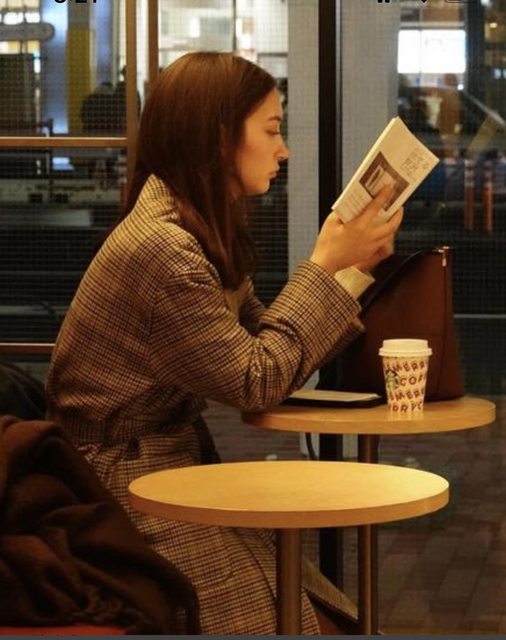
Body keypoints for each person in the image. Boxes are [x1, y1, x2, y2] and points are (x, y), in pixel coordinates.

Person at [45, 52, 402, 635]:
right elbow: (255, 380)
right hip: (118, 483)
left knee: (311, 606)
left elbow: (261, 343)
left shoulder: (194, 226)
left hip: (164, 463)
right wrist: (324, 265)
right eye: (272, 130)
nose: (284, 150)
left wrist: (351, 269)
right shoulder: (165, 249)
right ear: (218, 137)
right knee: (287, 615)